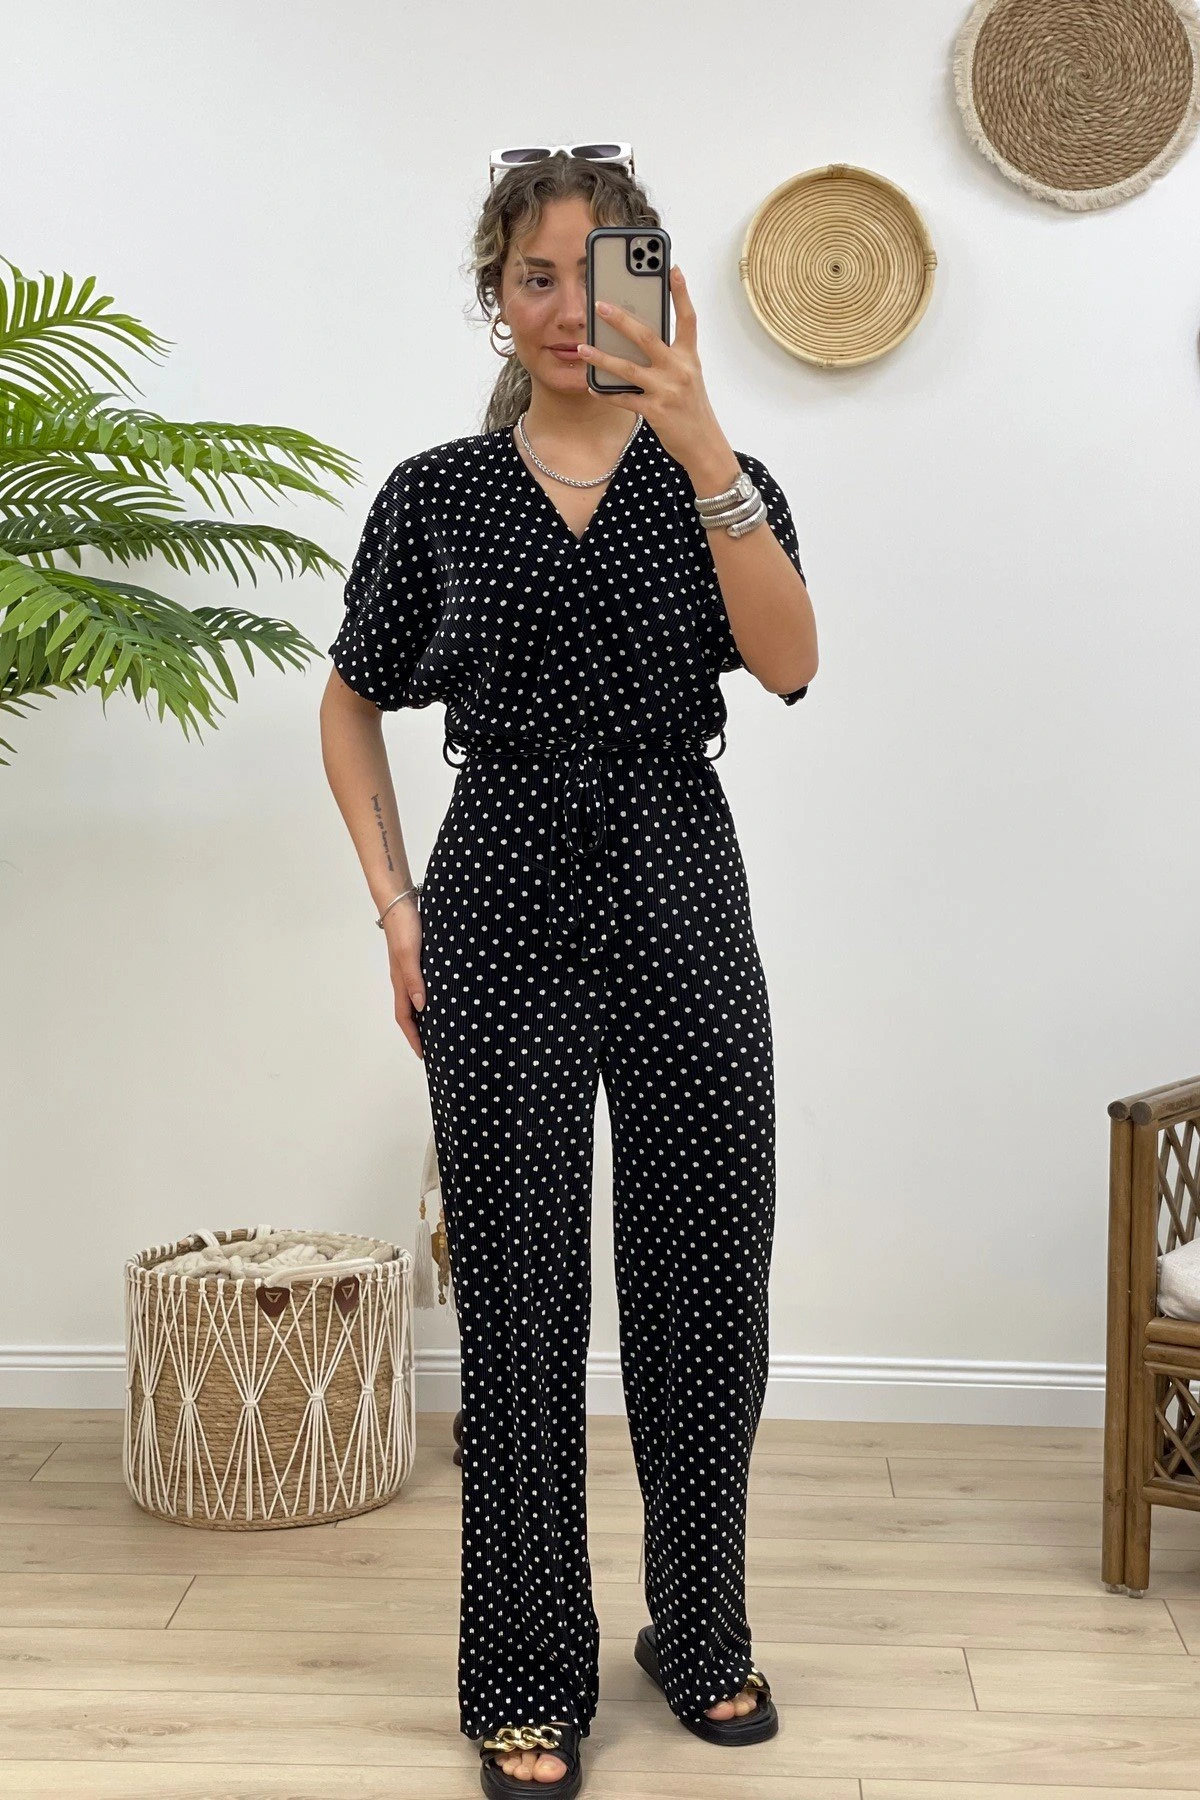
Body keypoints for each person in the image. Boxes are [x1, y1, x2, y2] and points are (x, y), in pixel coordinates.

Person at [320, 147, 818, 1800]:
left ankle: (700, 1627)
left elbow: (792, 663)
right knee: (521, 1299)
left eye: (594, 274)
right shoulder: (438, 495)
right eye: (532, 276)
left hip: (680, 881)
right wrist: (397, 909)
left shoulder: (722, 476)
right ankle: (526, 1670)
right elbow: (350, 699)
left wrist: (704, 436)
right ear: (497, 293)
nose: (561, 308)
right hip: (499, 894)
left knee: (707, 1282)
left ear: (654, 288)